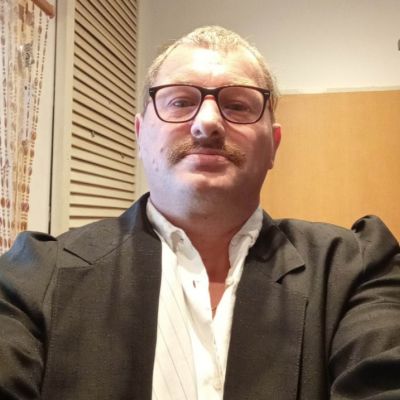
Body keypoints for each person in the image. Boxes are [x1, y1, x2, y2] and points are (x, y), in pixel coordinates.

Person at [0, 26, 399, 400]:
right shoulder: (35, 277)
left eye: (238, 106)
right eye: (180, 102)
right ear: (140, 136)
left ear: (273, 146)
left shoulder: (356, 268)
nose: (207, 123)